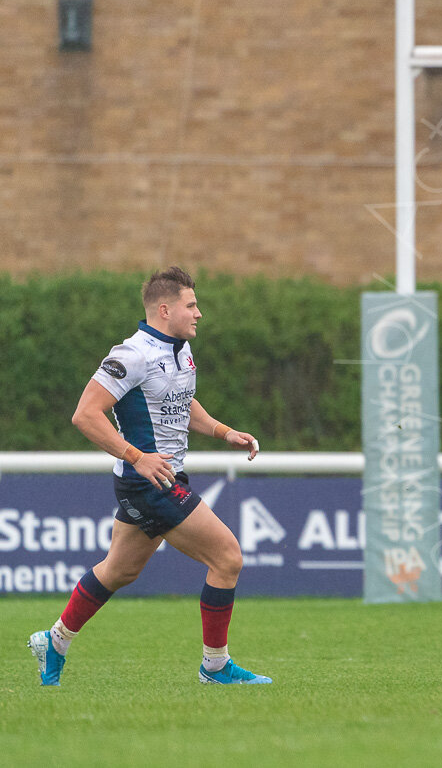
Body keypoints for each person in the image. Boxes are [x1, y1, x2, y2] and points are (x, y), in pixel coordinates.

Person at [27, 266, 270, 685]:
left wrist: (223, 431)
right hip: (150, 482)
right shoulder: (131, 355)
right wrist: (136, 456)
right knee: (227, 557)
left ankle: (55, 641)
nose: (199, 313)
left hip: (159, 478)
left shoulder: (179, 350)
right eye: (191, 305)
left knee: (118, 570)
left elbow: (182, 401)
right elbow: (85, 414)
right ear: (164, 309)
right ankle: (215, 667)